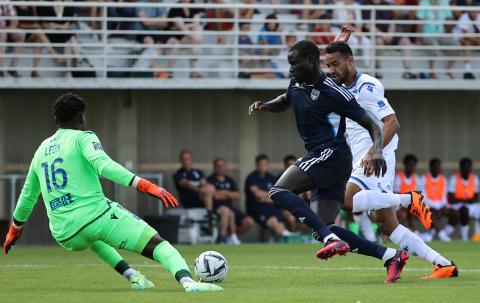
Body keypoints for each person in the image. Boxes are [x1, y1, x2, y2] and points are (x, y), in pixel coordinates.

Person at [2, 93, 222, 293]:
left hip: (64, 232)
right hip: (97, 217)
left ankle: (134, 276)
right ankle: (189, 283)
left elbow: (28, 196)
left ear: (56, 119)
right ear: (81, 117)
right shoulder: (83, 137)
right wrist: (144, 185)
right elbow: (103, 165)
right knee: (158, 244)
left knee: (93, 238)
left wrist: (15, 229)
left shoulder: (41, 149)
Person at [248, 39, 409, 283]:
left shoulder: (334, 92)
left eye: (295, 64)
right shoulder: (297, 81)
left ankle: (330, 238)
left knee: (279, 190)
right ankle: (389, 256)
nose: (291, 69)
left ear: (312, 61)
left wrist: (376, 151)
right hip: (325, 157)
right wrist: (266, 106)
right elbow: (286, 99)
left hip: (330, 153)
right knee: (324, 224)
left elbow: (373, 125)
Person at [327, 32, 457, 279]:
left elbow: (392, 122)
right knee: (387, 224)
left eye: (336, 64)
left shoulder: (366, 87)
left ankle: (409, 199)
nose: (332, 70)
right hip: (363, 156)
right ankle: (444, 265)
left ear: (350, 61)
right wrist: (338, 40)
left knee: (346, 200)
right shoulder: (342, 85)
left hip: (375, 158)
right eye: (329, 65)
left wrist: (374, 150)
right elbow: (332, 66)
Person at [362, 0, 416, 79]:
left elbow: (392, 22)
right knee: (379, 42)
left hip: (388, 33)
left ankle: (407, 71)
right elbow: (367, 25)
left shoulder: (386, 4)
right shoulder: (365, 4)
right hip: (374, 34)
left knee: (406, 41)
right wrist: (383, 35)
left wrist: (390, 34)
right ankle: (376, 68)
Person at [207, 157, 254, 244]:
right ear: (214, 167)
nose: (220, 167)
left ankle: (231, 236)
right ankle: (222, 238)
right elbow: (214, 195)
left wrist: (224, 193)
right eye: (218, 165)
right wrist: (228, 194)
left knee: (249, 222)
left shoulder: (230, 180)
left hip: (230, 206)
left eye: (222, 165)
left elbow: (237, 196)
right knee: (227, 212)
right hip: (217, 207)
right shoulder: (210, 180)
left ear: (225, 166)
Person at [416, 0, 459, 79]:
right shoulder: (424, 3)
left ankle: (448, 69)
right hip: (427, 34)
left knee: (456, 46)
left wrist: (450, 34)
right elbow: (419, 22)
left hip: (441, 34)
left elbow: (449, 20)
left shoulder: (444, 3)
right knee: (434, 47)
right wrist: (418, 39)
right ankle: (432, 72)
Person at [244, 154, 292, 237]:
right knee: (273, 220)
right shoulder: (251, 178)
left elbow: (277, 194)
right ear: (257, 165)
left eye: (265, 164)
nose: (263, 167)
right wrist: (268, 196)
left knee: (287, 217)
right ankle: (286, 237)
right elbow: (257, 194)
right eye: (260, 165)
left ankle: (285, 237)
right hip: (256, 208)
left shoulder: (271, 177)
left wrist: (265, 198)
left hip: (271, 207)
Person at [37, 0, 79, 74]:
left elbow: (66, 25)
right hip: (51, 34)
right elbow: (44, 24)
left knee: (69, 41)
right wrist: (56, 26)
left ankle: (69, 72)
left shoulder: (68, 6)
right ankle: (78, 57)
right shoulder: (47, 6)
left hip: (63, 33)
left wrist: (55, 25)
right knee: (70, 36)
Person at [167, 0, 204, 79]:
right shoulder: (175, 8)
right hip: (174, 36)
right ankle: (169, 72)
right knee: (193, 40)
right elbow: (179, 26)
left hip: (187, 36)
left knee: (197, 31)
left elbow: (196, 24)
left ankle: (193, 72)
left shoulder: (194, 7)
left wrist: (186, 26)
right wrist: (189, 26)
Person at [444, 158, 479, 241]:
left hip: (470, 204)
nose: (467, 169)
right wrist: (466, 200)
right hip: (457, 205)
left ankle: (478, 234)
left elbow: (476, 197)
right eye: (465, 167)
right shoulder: (454, 178)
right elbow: (451, 198)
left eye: (469, 167)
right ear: (461, 168)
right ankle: (465, 238)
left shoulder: (474, 178)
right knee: (464, 210)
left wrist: (465, 200)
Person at [421, 158, 450, 241]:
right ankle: (441, 233)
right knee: (432, 212)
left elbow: (444, 195)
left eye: (438, 167)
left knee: (453, 214)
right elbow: (423, 196)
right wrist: (433, 207)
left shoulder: (443, 179)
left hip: (439, 205)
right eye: (435, 167)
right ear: (430, 167)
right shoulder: (424, 178)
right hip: (427, 205)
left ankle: (432, 234)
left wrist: (443, 206)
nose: (437, 169)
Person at [394, 153, 421, 232]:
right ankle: (391, 233)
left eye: (413, 165)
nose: (411, 167)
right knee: (403, 215)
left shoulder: (416, 178)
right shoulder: (398, 177)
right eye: (410, 165)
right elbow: (395, 195)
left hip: (408, 205)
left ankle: (413, 230)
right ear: (405, 165)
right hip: (397, 204)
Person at [452, 4, 479, 79]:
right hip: (459, 37)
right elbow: (466, 36)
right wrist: (477, 41)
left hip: (472, 38)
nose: (475, 13)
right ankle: (468, 71)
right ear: (470, 11)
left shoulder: (479, 17)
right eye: (474, 12)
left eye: (477, 11)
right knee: (467, 44)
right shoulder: (464, 17)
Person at [0, 0, 17, 78]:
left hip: (3, 28)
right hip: (1, 30)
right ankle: (0, 68)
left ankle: (13, 67)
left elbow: (13, 15)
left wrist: (12, 27)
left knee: (20, 35)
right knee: (2, 35)